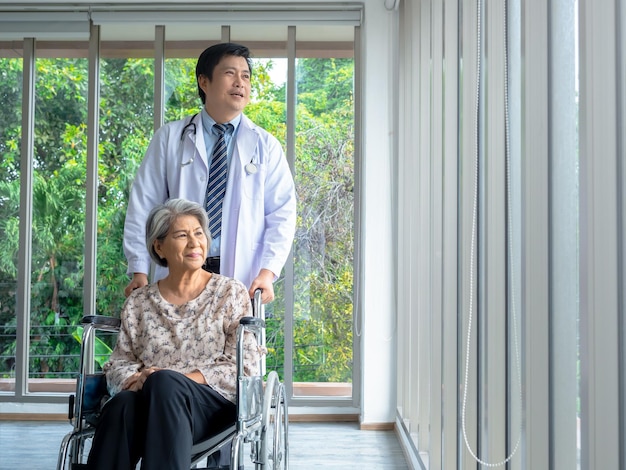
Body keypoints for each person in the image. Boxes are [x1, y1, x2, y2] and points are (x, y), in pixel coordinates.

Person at [87, 199, 260, 470]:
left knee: (165, 383)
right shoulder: (140, 301)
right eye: (182, 235)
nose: (194, 243)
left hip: (209, 405)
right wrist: (138, 378)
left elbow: (244, 367)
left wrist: (173, 379)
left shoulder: (230, 293)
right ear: (159, 246)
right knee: (122, 405)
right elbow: (119, 363)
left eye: (199, 233)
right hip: (149, 400)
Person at [123, 42, 297, 305]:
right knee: (176, 345)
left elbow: (282, 215)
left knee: (235, 346)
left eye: (246, 76)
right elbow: (143, 207)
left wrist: (268, 272)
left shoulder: (265, 145)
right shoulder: (170, 138)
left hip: (241, 278)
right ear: (204, 81)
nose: (240, 82)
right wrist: (139, 269)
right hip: (177, 274)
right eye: (230, 73)